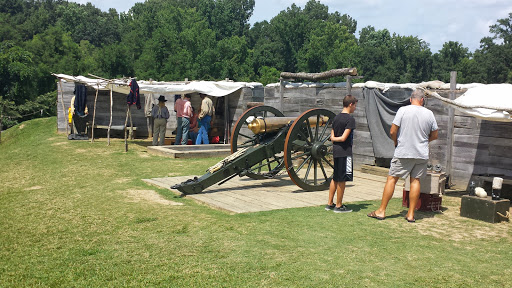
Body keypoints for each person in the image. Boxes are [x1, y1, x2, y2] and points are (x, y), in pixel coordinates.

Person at [368, 89, 438, 223]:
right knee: (415, 181)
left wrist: (396, 142)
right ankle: (411, 214)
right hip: (421, 153)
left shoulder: (403, 110)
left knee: (392, 179)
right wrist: (424, 142)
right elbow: (435, 135)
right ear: (422, 100)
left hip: (403, 151)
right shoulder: (429, 114)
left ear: (411, 99)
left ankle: (381, 211)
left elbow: (393, 130)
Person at [326, 94, 358, 213]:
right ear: (350, 104)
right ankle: (339, 206)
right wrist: (336, 139)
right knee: (342, 179)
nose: (355, 108)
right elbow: (344, 138)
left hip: (336, 151)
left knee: (335, 177)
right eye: (355, 105)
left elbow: (332, 136)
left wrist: (333, 139)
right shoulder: (350, 119)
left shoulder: (336, 118)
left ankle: (330, 203)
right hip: (345, 152)